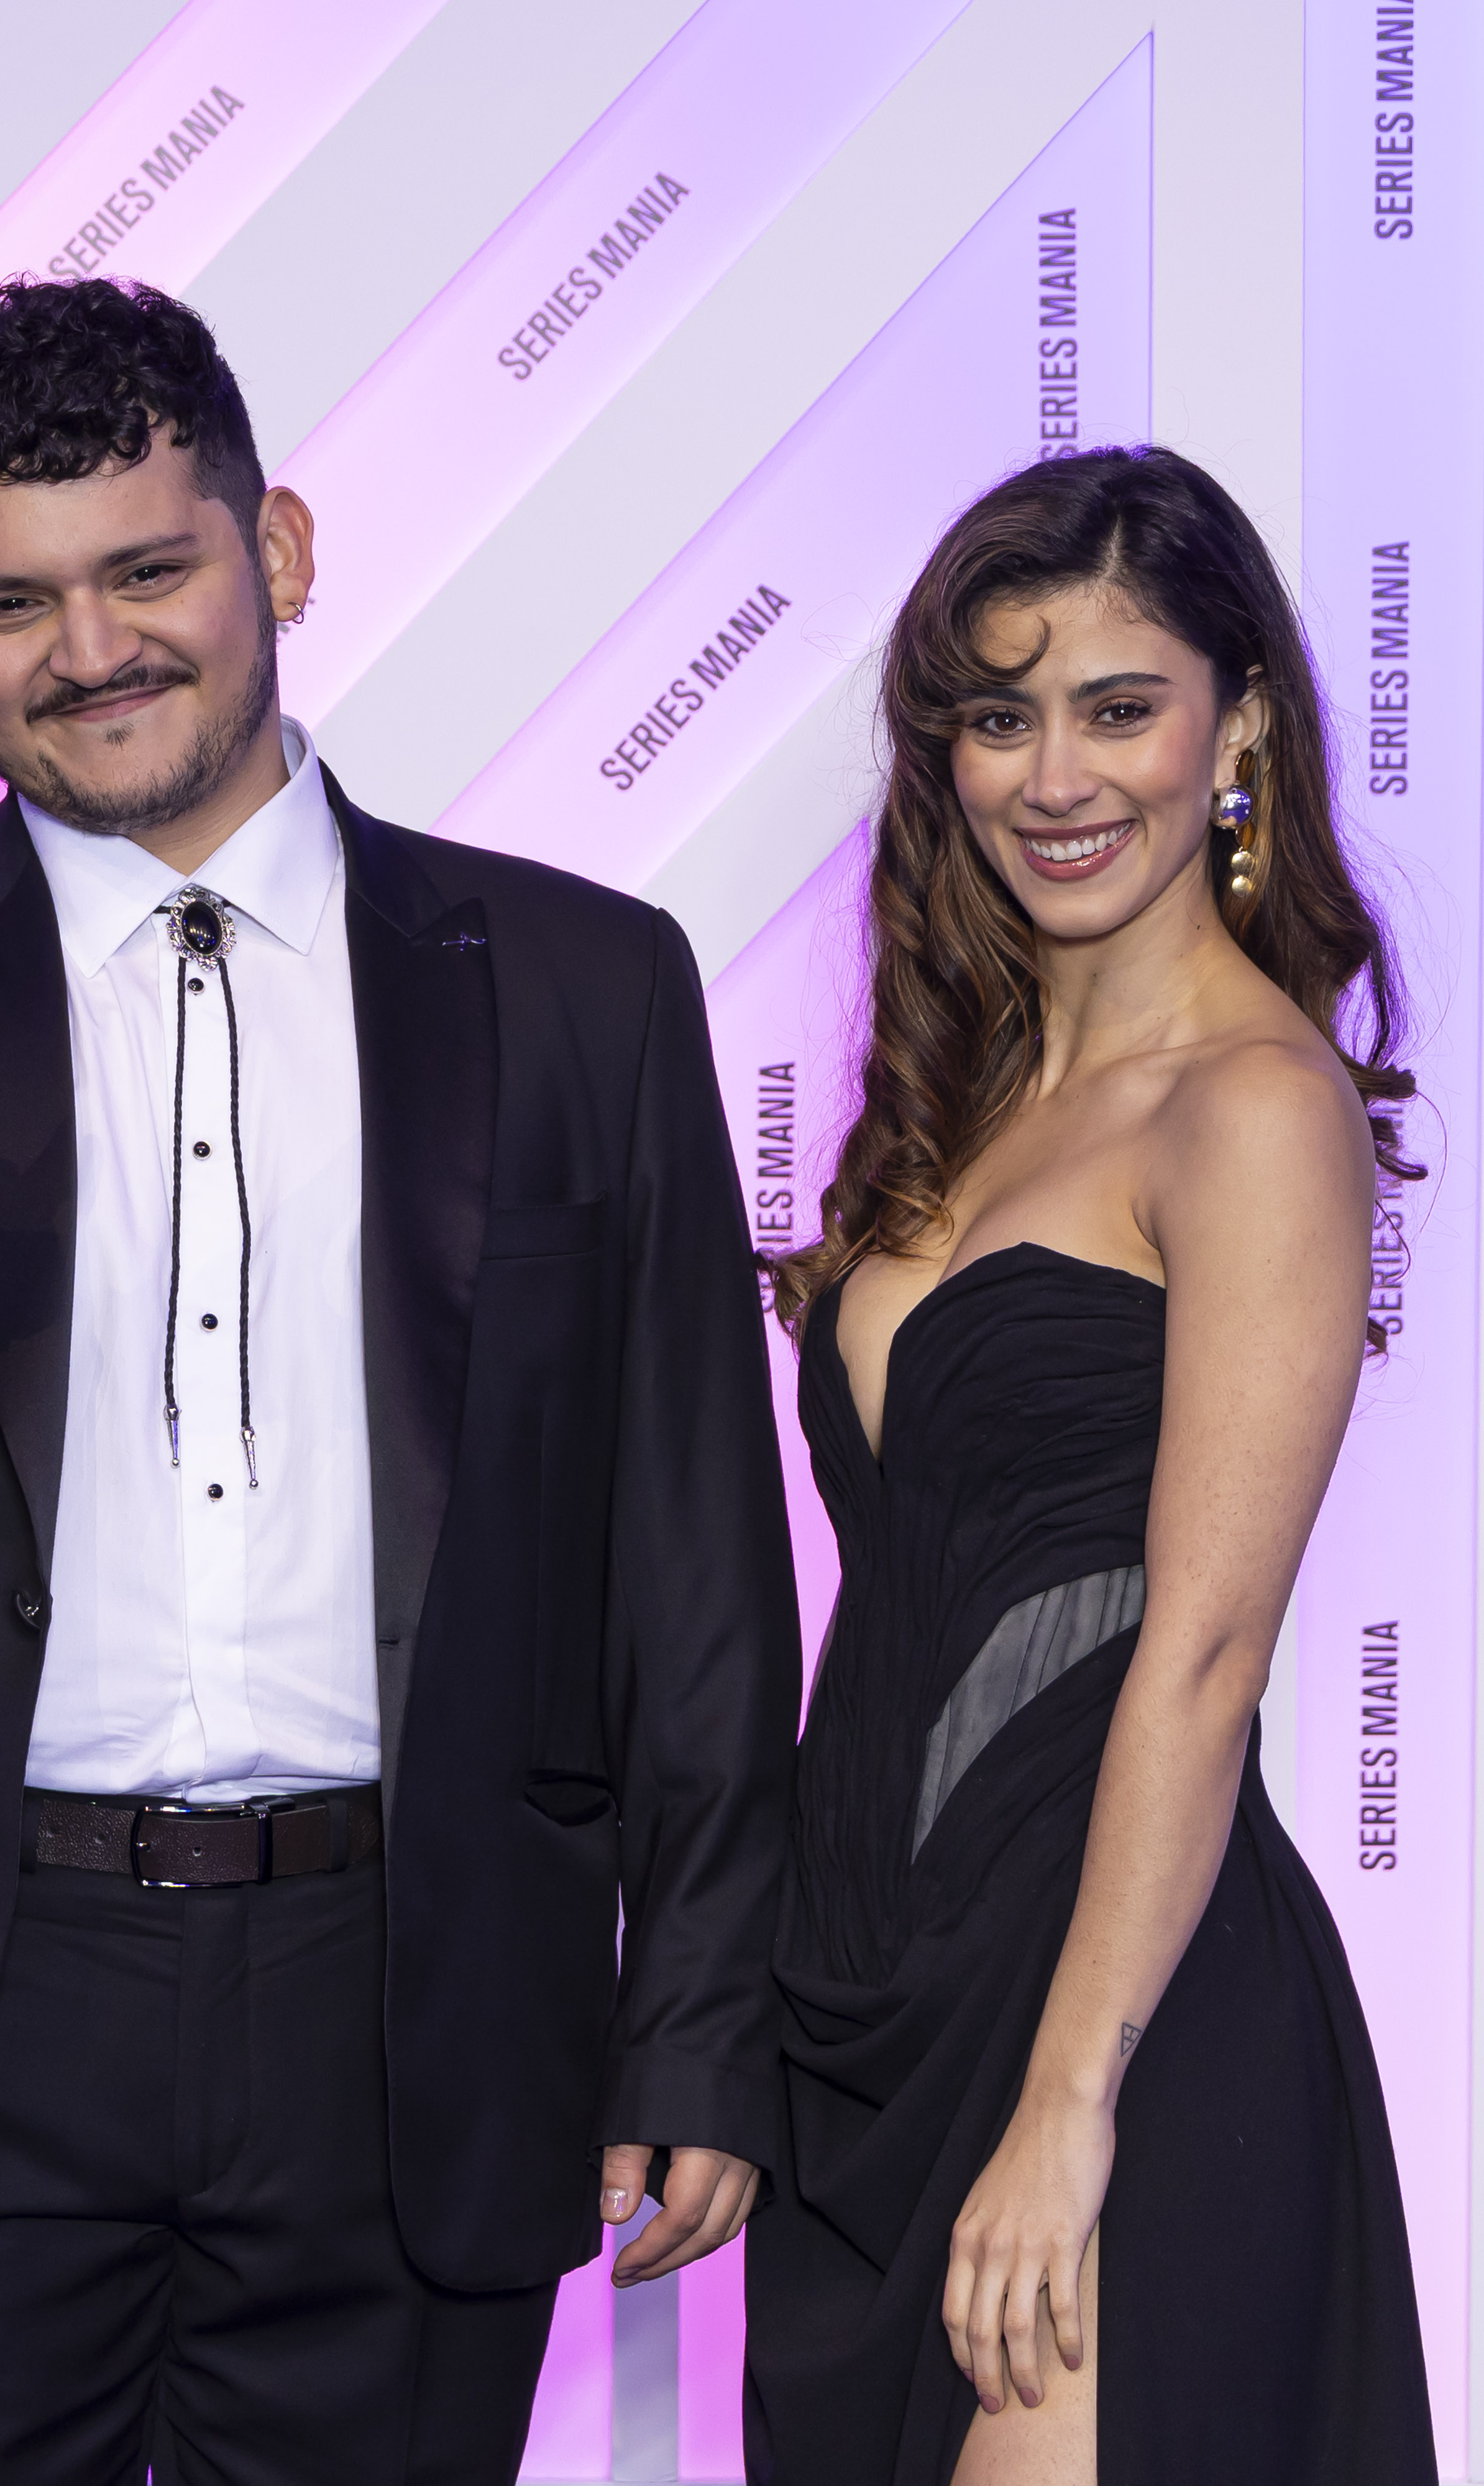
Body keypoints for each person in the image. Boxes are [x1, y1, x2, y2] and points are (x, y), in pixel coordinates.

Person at [0, 275, 797, 2481]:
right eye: (8, 603)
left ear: (276, 549)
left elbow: (692, 1553)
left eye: (148, 569)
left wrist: (694, 2030)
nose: (88, 648)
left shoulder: (582, 982)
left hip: (407, 2013)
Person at [746, 447, 1437, 2483]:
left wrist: (1073, 2100)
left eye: (1118, 707)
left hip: (1120, 2013)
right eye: (997, 713)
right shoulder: (948, 1119)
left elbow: (1205, 1653)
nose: (1055, 773)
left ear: (1238, 727)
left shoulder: (1256, 1106)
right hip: (869, 2014)